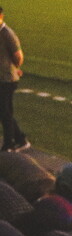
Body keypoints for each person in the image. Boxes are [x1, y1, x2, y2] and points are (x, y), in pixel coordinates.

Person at [0, 7, 27, 153]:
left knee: (4, 111)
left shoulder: (7, 34)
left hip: (8, 79)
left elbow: (19, 56)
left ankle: (9, 144)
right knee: (4, 111)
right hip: (1, 78)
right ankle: (20, 139)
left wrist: (14, 68)